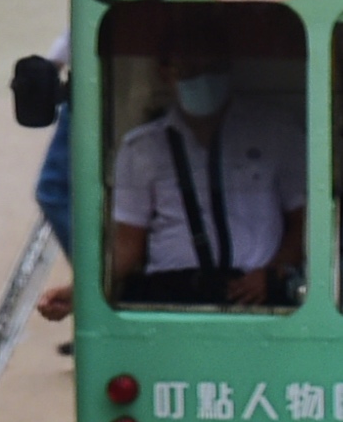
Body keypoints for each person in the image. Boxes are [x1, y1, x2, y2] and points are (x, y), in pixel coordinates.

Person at [102, 21, 302, 305]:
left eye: (213, 69)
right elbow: (128, 245)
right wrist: (81, 292)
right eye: (189, 70)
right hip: (171, 294)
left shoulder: (276, 133)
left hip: (255, 293)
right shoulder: (141, 148)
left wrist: (273, 274)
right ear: (164, 73)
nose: (203, 79)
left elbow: (304, 222)